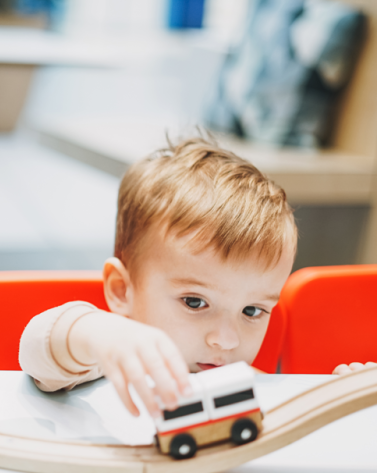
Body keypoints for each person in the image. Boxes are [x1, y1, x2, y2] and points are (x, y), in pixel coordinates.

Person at [19, 138, 297, 418]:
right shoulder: (117, 359)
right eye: (194, 302)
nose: (226, 340)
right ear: (122, 290)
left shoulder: (247, 379)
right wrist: (98, 335)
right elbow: (34, 351)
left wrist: (337, 393)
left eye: (252, 311)